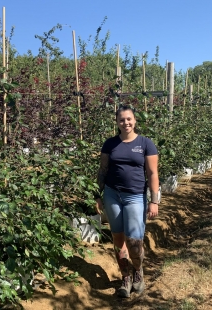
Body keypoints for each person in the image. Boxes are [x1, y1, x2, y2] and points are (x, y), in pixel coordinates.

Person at [94, 105, 159, 298]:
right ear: (117, 122)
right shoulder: (110, 144)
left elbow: (153, 173)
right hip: (112, 194)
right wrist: (97, 195)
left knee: (134, 241)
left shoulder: (146, 143)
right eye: (122, 120)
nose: (126, 123)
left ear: (135, 120)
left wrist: (154, 201)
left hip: (135, 196)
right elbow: (103, 171)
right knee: (118, 238)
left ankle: (137, 271)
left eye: (129, 119)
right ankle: (125, 277)